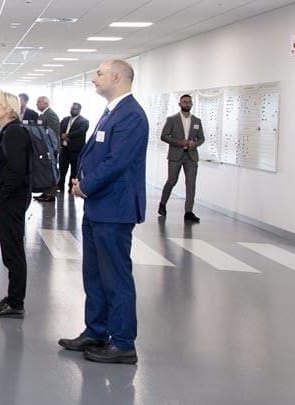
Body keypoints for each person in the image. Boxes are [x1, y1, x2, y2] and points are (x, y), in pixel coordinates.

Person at [63, 59, 149, 364]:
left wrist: (85, 186)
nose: (93, 78)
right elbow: (97, 154)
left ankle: (123, 342)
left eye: (98, 73)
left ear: (116, 76)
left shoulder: (131, 116)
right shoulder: (111, 112)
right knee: (95, 274)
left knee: (116, 276)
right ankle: (96, 331)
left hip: (114, 207)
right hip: (99, 205)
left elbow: (117, 162)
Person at [0, 90, 31, 319]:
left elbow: (16, 170)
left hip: (10, 201)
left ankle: (15, 302)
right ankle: (13, 299)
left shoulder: (14, 133)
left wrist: (0, 196)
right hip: (6, 200)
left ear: (9, 110)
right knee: (10, 251)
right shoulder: (7, 132)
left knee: (13, 252)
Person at [158, 93, 205, 222]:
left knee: (191, 184)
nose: (187, 104)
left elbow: (202, 138)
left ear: (192, 104)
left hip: (191, 156)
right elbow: (164, 136)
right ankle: (162, 203)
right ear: (179, 104)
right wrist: (179, 142)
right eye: (184, 102)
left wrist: (194, 143)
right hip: (175, 155)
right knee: (172, 181)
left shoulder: (197, 121)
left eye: (189, 102)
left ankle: (188, 212)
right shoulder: (172, 119)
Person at [57, 102, 88, 194]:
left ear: (79, 110)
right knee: (62, 169)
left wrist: (68, 135)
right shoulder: (65, 119)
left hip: (76, 150)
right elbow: (59, 128)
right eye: (72, 108)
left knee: (74, 170)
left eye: (75, 109)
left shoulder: (84, 121)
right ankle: (60, 186)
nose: (73, 110)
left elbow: (81, 131)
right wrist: (62, 135)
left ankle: (71, 187)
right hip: (64, 149)